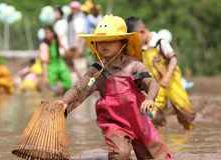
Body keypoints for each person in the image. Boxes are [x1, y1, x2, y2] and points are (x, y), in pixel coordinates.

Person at [56, 15, 172, 159]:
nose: (104, 45)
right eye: (100, 42)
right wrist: (65, 102)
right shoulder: (97, 70)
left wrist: (149, 98)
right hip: (113, 122)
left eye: (110, 41)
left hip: (139, 119)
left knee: (156, 154)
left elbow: (151, 83)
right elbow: (79, 89)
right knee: (120, 154)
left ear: (123, 42)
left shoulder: (134, 66)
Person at [125, 17, 196, 130]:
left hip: (172, 83)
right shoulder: (140, 50)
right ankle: (160, 140)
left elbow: (173, 59)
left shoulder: (160, 42)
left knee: (186, 113)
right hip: (156, 86)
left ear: (142, 32)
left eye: (135, 39)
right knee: (156, 117)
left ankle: (190, 133)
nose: (134, 42)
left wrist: (167, 77)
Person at [39, 26, 71, 96]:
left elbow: (64, 48)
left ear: (53, 33)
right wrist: (45, 77)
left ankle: (62, 93)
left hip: (59, 62)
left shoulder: (57, 40)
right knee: (48, 83)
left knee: (67, 80)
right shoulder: (44, 45)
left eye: (48, 33)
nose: (47, 35)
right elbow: (45, 62)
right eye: (45, 33)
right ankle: (57, 93)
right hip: (50, 65)